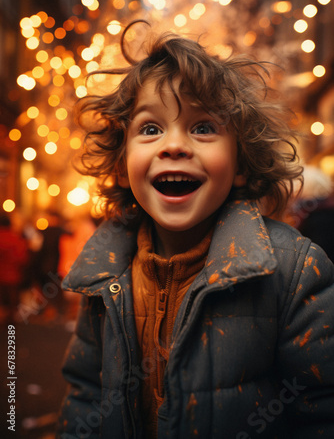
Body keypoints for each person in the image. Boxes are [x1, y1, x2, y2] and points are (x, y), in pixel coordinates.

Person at [57, 22, 334, 439]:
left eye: (203, 127)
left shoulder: (293, 272)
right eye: (150, 129)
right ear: (121, 163)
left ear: (240, 164)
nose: (174, 145)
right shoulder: (104, 275)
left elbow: (321, 411)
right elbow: (86, 394)